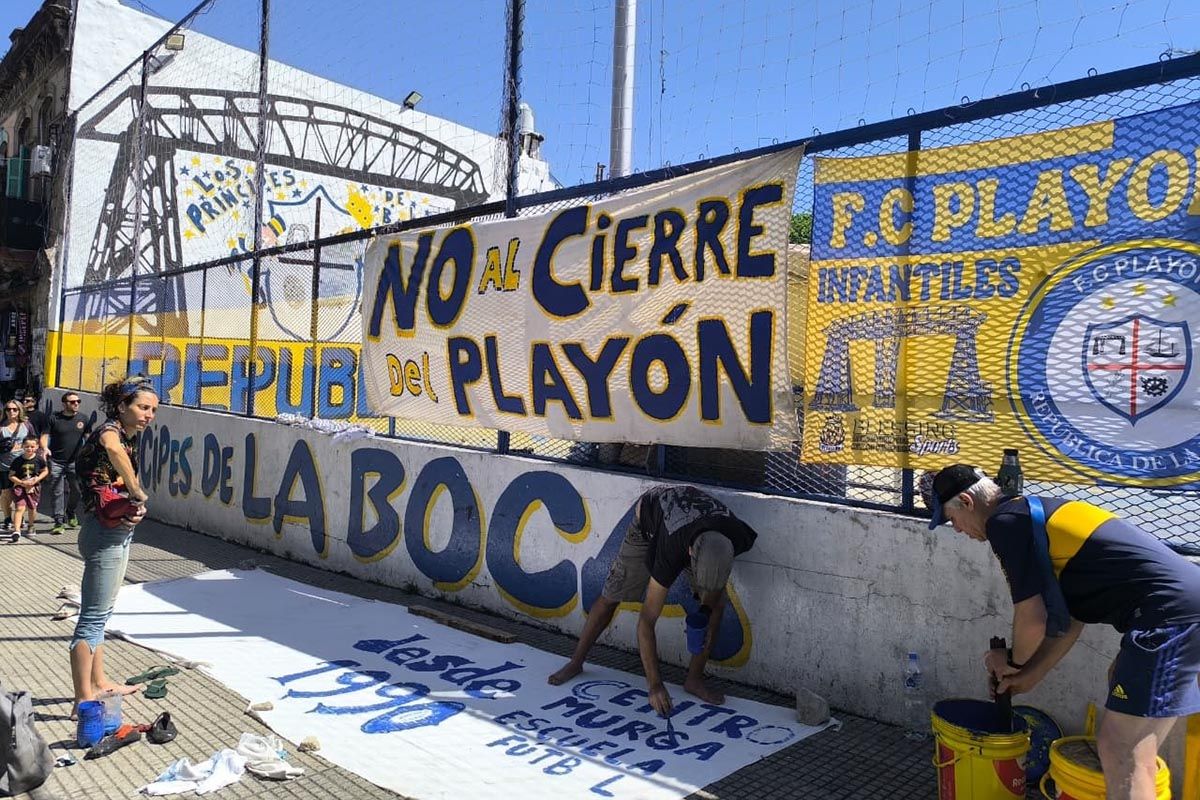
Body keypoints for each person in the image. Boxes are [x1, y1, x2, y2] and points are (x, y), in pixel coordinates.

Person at [926, 463, 1200, 800]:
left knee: (1121, 750)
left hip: (1171, 615)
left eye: (951, 520)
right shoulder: (1031, 514)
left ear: (967, 502)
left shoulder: (1005, 522)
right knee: (1128, 725)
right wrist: (1029, 674)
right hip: (1182, 607)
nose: (957, 530)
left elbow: (1032, 617)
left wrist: (1010, 662)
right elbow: (1069, 620)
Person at [548, 484, 758, 715]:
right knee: (611, 596)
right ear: (690, 554)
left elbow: (714, 582)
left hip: (694, 530)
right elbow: (646, 621)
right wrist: (655, 685)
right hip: (650, 521)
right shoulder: (671, 549)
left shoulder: (738, 536)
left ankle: (694, 679)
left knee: (716, 606)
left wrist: (706, 611)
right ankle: (576, 662)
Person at [69, 377, 157, 714]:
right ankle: (83, 699)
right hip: (102, 534)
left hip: (117, 531)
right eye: (143, 407)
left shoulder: (130, 437)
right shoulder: (111, 431)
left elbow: (119, 479)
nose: (149, 415)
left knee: (102, 615)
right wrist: (136, 492)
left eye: (153, 410)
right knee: (91, 618)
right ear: (122, 406)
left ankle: (100, 682)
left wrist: (135, 508)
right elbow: (112, 448)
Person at [45, 391, 91, 534]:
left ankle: (70, 511)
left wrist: (89, 453)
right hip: (56, 461)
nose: (76, 404)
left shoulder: (83, 418)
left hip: (75, 462)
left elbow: (88, 438)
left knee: (77, 490)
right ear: (64, 404)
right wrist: (45, 448)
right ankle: (59, 521)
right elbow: (44, 435)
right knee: (57, 492)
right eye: (72, 402)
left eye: (78, 401)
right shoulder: (54, 418)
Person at [7, 435, 48, 540]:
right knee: (19, 507)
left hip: (34, 487)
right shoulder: (18, 461)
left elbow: (45, 471)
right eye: (27, 446)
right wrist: (21, 482)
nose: (29, 449)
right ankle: (16, 530)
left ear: (37, 447)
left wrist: (37, 479)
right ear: (23, 446)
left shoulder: (39, 459)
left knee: (32, 507)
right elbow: (11, 475)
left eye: (32, 446)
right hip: (20, 487)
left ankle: (31, 525)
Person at [1, 399, 29, 534]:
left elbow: (33, 441)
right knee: (6, 493)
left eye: (14, 409)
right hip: (4, 465)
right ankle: (7, 518)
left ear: (19, 410)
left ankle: (19, 517)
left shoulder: (26, 425)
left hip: (23, 466)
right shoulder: (1, 427)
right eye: (8, 409)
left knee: (22, 493)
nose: (11, 411)